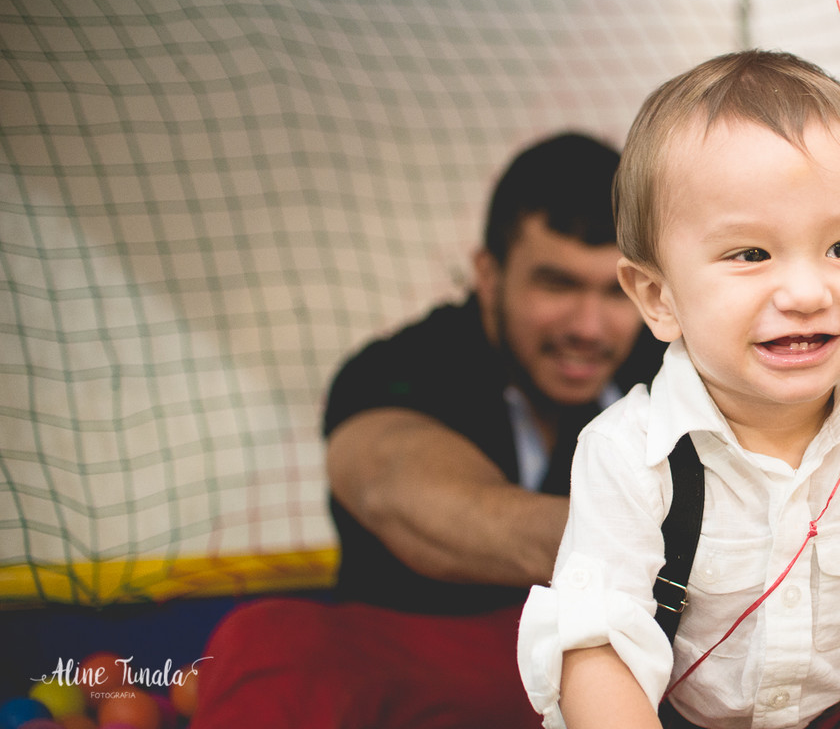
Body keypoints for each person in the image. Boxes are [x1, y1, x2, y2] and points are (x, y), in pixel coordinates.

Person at [516, 51, 840, 729]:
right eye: (751, 254)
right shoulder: (626, 454)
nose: (806, 293)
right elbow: (600, 651)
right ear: (658, 297)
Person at [191, 132, 663, 728]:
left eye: (615, 290)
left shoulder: (670, 366)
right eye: (557, 285)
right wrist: (664, 540)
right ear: (488, 275)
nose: (589, 328)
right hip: (434, 667)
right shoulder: (403, 369)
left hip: (615, 676)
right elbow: (403, 489)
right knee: (268, 640)